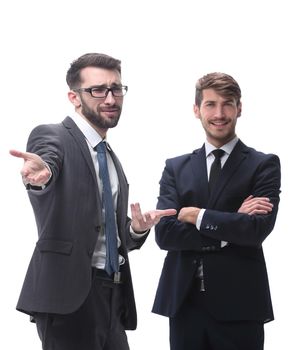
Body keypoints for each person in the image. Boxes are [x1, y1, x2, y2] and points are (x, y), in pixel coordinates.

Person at [10, 52, 176, 350]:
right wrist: (44, 175)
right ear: (74, 97)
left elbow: (104, 228)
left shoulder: (110, 157)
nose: (110, 98)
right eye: (98, 90)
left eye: (116, 88)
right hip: (69, 296)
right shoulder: (53, 136)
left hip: (112, 294)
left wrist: (136, 229)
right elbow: (48, 164)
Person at [152, 72, 281, 350]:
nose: (219, 113)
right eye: (210, 104)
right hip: (184, 304)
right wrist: (231, 223)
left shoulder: (263, 165)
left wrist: (196, 215)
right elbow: (165, 235)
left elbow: (255, 230)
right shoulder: (176, 168)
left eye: (228, 104)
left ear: (240, 108)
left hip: (241, 305)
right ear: (196, 109)